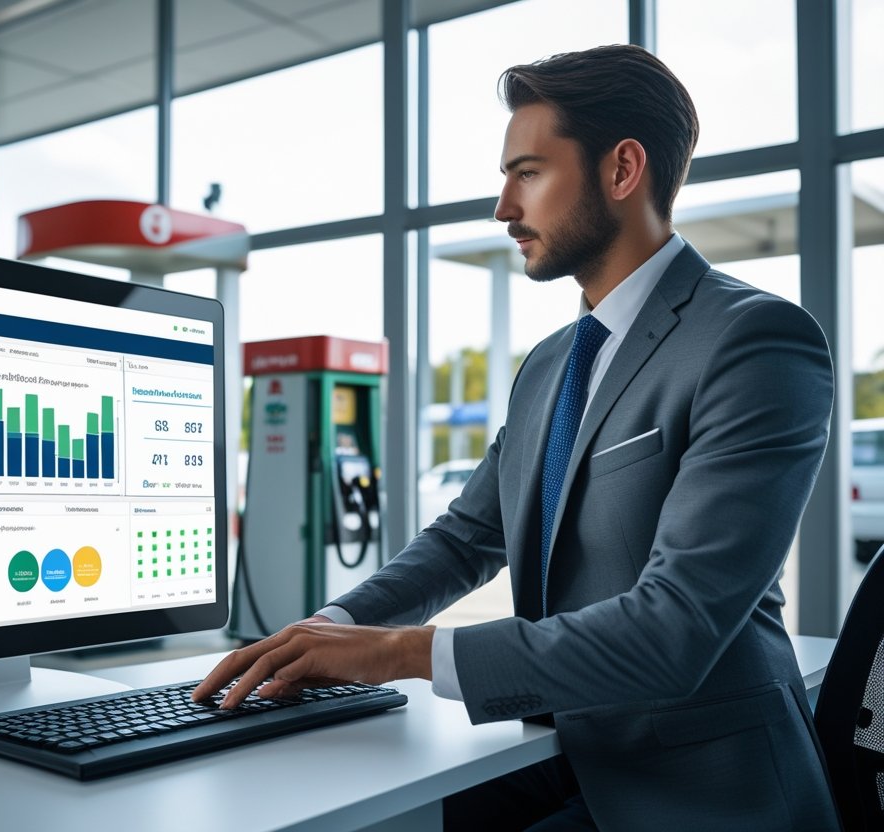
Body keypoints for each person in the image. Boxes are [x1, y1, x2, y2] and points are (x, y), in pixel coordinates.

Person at [193, 43, 840, 831]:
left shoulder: (755, 341)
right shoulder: (551, 364)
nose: (503, 208)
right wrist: (328, 630)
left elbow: (675, 629)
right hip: (560, 749)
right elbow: (467, 537)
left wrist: (398, 653)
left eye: (527, 173)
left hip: (699, 790)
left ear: (622, 169)